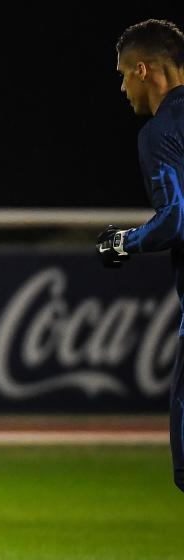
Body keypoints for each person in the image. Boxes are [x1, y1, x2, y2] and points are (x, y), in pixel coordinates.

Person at [97, 18, 184, 493]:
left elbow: (176, 219)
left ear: (145, 70)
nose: (123, 85)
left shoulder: (160, 133)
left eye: (123, 73)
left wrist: (121, 242)